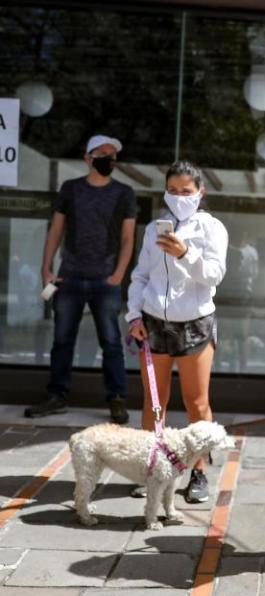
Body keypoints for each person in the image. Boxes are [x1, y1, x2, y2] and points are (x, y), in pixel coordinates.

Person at [126, 160, 228, 504]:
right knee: (155, 402)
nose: (179, 197)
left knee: (197, 402)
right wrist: (133, 315)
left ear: (201, 192)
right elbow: (141, 275)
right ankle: (151, 467)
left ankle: (198, 471)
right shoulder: (154, 228)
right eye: (172, 191)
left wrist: (186, 253)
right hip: (154, 321)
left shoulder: (212, 228)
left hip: (195, 323)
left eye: (186, 191)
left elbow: (214, 274)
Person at [26, 135, 137, 423]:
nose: (109, 159)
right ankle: (57, 396)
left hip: (106, 280)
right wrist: (46, 268)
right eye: (103, 153)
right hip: (70, 276)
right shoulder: (71, 189)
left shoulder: (124, 193)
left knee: (111, 342)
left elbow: (128, 238)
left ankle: (116, 398)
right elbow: (56, 230)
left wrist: (118, 275)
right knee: (62, 340)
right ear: (88, 157)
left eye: (113, 155)